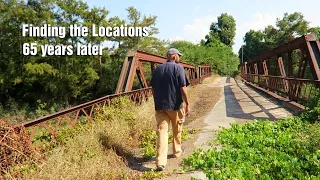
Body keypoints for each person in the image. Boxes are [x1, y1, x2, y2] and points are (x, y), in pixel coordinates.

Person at [150, 48, 190, 171]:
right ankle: (177, 152)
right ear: (173, 56)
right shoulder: (178, 68)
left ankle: (160, 162)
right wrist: (188, 103)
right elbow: (183, 88)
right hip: (175, 106)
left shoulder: (158, 69)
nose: (179, 58)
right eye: (179, 55)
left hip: (160, 107)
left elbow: (153, 88)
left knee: (162, 132)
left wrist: (157, 101)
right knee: (177, 129)